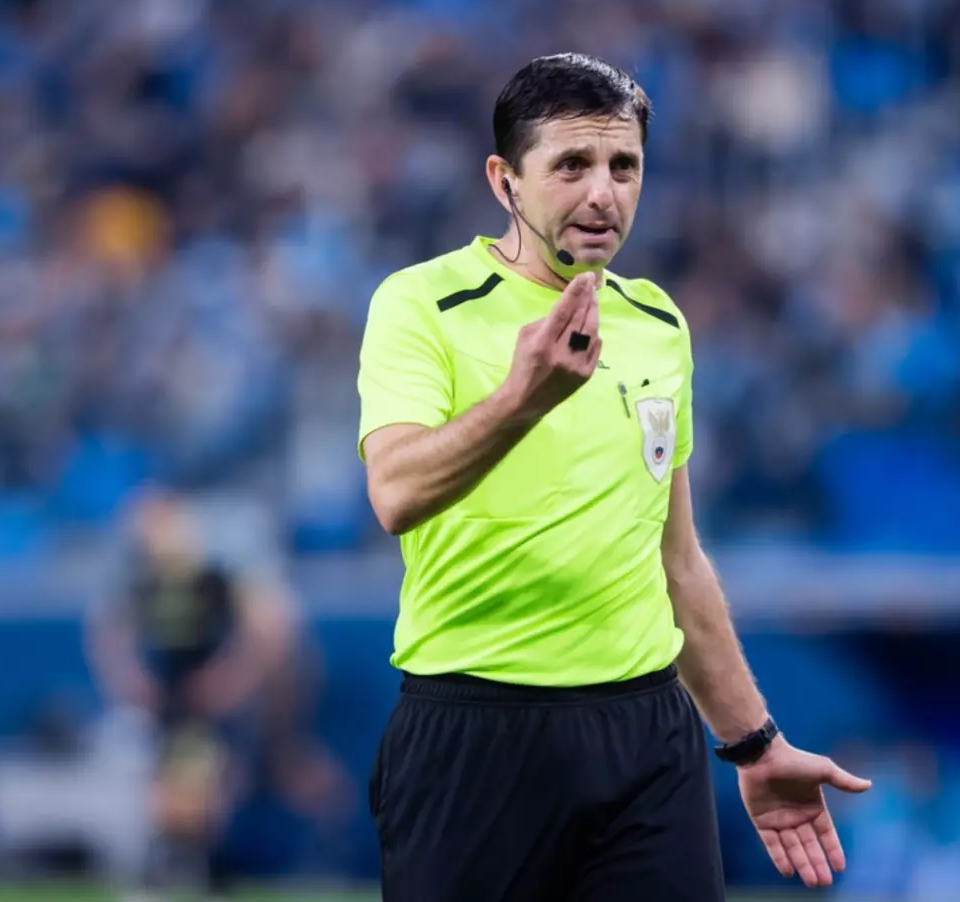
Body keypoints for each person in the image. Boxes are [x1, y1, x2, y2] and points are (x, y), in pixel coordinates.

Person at [356, 53, 872, 901]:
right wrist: (522, 397)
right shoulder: (421, 305)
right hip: (475, 730)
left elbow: (677, 561)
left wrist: (754, 743)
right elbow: (395, 493)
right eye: (572, 165)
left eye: (623, 166)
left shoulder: (656, 322)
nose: (603, 193)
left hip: (646, 739)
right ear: (504, 181)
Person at [86, 488, 294, 901]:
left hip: (207, 701)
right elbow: (108, 630)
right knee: (163, 789)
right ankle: (165, 871)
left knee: (207, 789)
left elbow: (271, 628)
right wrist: (129, 678)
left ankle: (210, 871)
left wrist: (232, 679)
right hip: (168, 698)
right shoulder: (142, 577)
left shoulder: (215, 573)